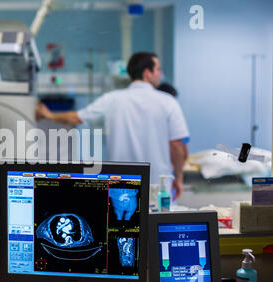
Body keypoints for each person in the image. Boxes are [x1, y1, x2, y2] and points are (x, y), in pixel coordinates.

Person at [35, 52, 189, 200]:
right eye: (158, 70)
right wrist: (178, 177)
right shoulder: (168, 102)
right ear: (147, 73)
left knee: (122, 222)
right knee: (155, 224)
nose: (160, 74)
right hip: (157, 186)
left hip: (121, 183)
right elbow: (176, 146)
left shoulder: (112, 100)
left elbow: (76, 117)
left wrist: (49, 115)